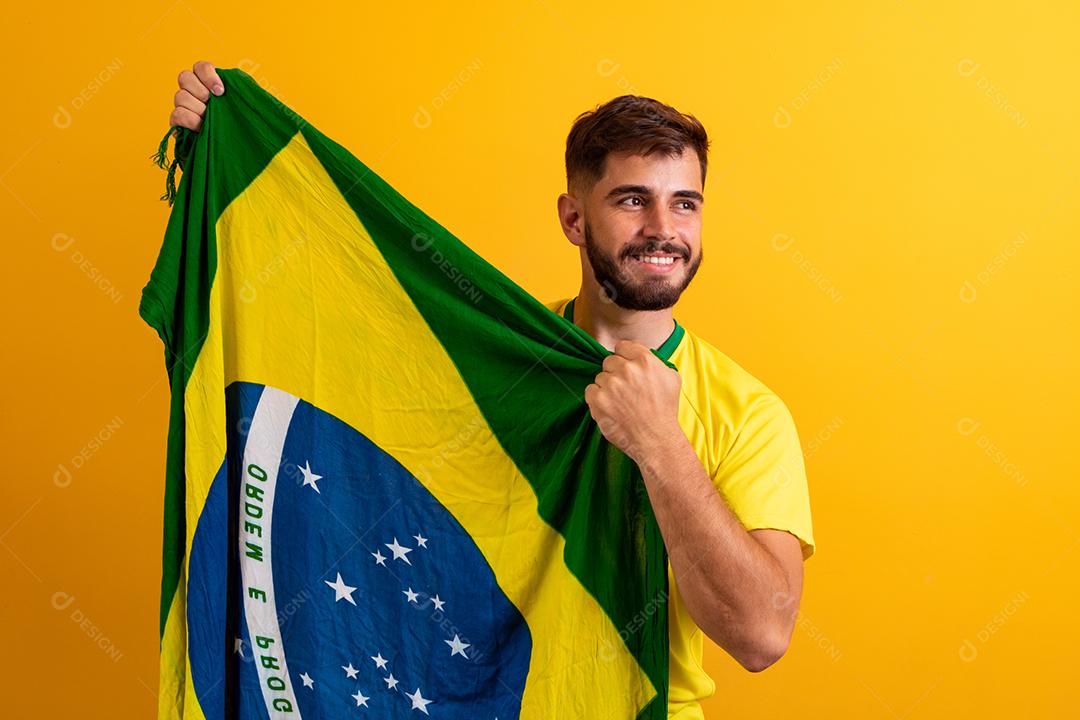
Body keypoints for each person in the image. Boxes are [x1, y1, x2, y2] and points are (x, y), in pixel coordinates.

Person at [168, 61, 816, 720]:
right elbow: (328, 351)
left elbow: (761, 635)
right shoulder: (496, 363)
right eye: (632, 199)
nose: (663, 228)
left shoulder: (749, 414)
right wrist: (226, 165)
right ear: (573, 217)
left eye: (685, 203)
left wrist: (660, 444)